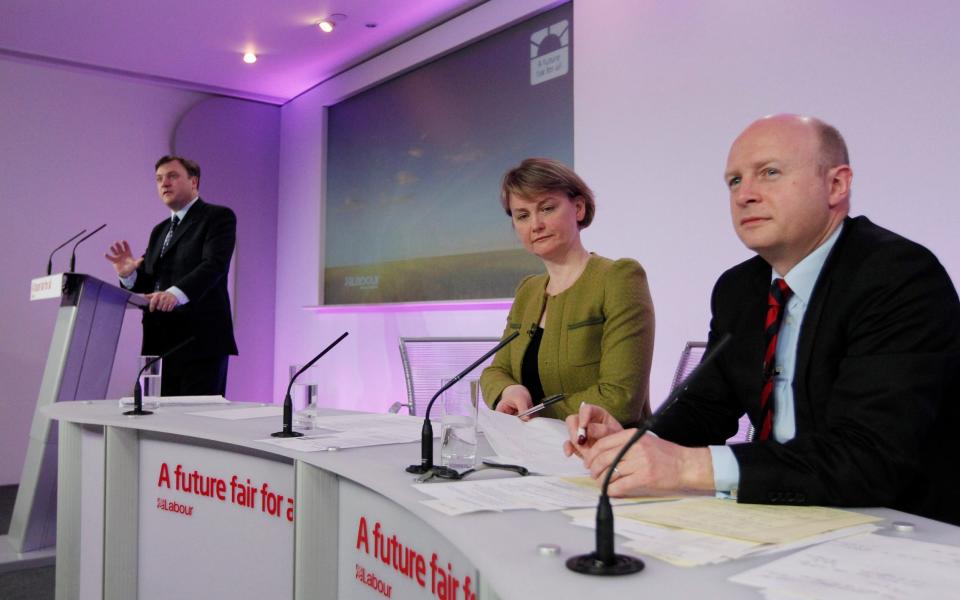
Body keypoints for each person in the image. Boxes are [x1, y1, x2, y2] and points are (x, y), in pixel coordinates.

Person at [565, 115, 960, 525]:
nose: (744, 195)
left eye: (769, 173)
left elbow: (869, 456)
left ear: (837, 185)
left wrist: (686, 467)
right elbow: (705, 408)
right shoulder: (738, 288)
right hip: (785, 516)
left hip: (898, 527)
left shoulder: (899, 275)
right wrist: (636, 441)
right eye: (734, 181)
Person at [480, 158, 654, 425]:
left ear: (579, 208)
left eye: (547, 208)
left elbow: (620, 399)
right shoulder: (528, 290)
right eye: (523, 216)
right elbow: (496, 371)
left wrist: (531, 414)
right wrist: (509, 391)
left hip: (603, 454)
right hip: (530, 452)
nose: (535, 224)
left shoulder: (620, 278)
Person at [105, 155, 238, 396]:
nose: (164, 183)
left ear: (194, 182)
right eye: (158, 179)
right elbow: (152, 282)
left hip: (199, 341)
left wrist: (175, 294)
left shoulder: (217, 217)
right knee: (158, 424)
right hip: (159, 344)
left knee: (193, 426)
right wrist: (130, 276)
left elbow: (214, 265)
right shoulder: (160, 230)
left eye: (172, 176)